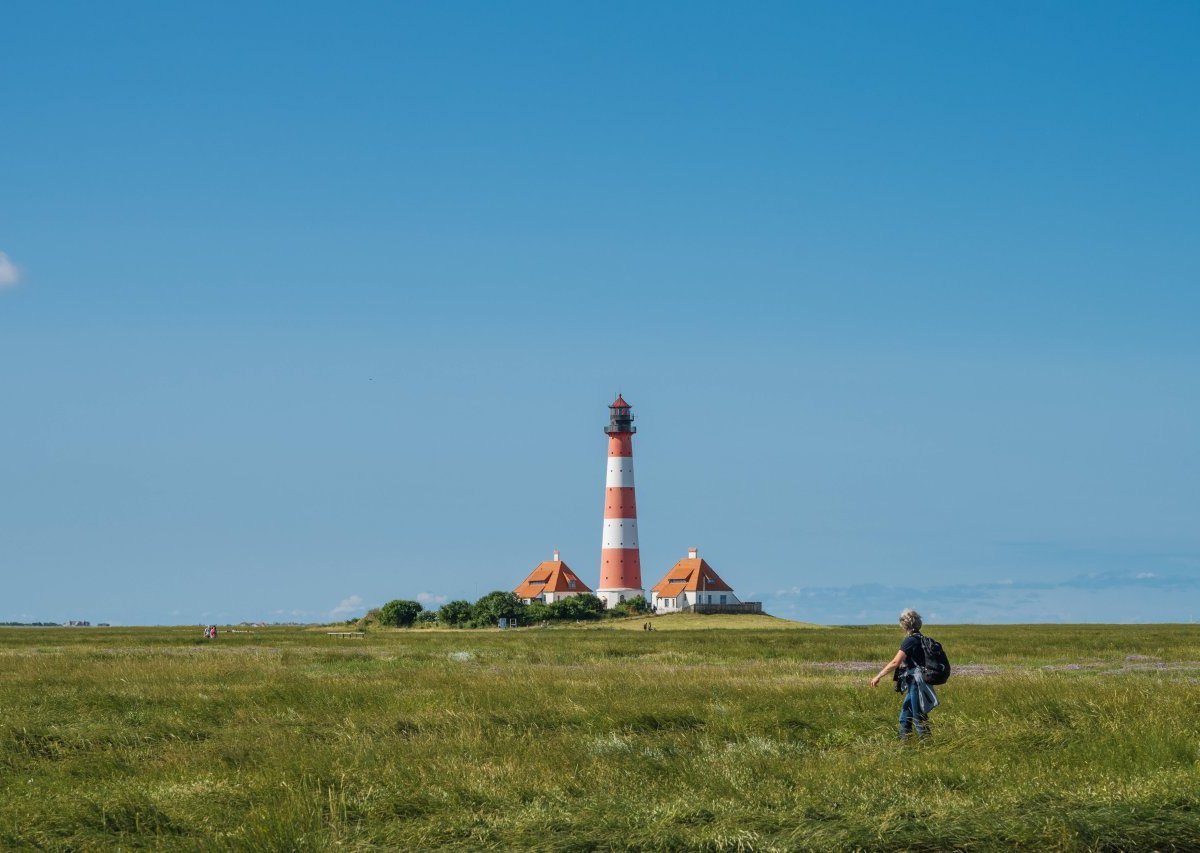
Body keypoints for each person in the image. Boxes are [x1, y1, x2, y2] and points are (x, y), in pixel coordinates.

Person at [869, 608, 938, 739]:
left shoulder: (910, 641)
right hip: (917, 681)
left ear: (904, 624)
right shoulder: (922, 639)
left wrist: (878, 676)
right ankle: (904, 745)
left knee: (919, 717)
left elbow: (896, 662)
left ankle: (927, 746)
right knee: (905, 715)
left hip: (916, 682)